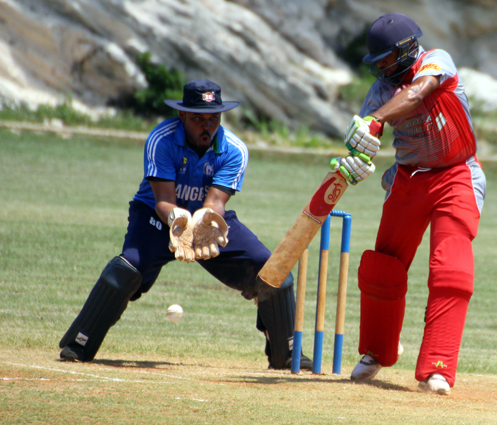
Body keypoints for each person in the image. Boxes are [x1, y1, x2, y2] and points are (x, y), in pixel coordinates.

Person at [59, 80, 310, 370]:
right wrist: (178, 220)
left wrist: (203, 223)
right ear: (182, 115)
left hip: (208, 220)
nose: (207, 126)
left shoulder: (234, 149)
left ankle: (286, 353)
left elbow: (216, 202)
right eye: (198, 119)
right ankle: (80, 342)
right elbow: (163, 200)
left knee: (271, 270)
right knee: (128, 268)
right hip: (158, 218)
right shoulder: (161, 139)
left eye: (213, 118)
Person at [341, 13, 487, 395]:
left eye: (386, 59)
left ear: (407, 49)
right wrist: (358, 158)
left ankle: (438, 368)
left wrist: (374, 120)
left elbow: (418, 92)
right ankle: (377, 351)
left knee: (452, 269)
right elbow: (366, 139)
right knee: (382, 268)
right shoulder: (380, 91)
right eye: (377, 62)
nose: (381, 69)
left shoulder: (436, 61)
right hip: (408, 180)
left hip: (456, 175)